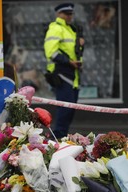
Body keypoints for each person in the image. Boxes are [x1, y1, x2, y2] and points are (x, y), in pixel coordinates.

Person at [44, 3, 85, 138]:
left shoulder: (71, 29)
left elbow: (74, 52)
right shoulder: (56, 28)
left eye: (70, 14)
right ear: (58, 14)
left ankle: (62, 136)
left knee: (70, 109)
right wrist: (69, 62)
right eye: (66, 14)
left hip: (72, 74)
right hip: (61, 72)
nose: (69, 16)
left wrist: (80, 45)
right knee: (65, 109)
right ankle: (57, 137)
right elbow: (51, 52)